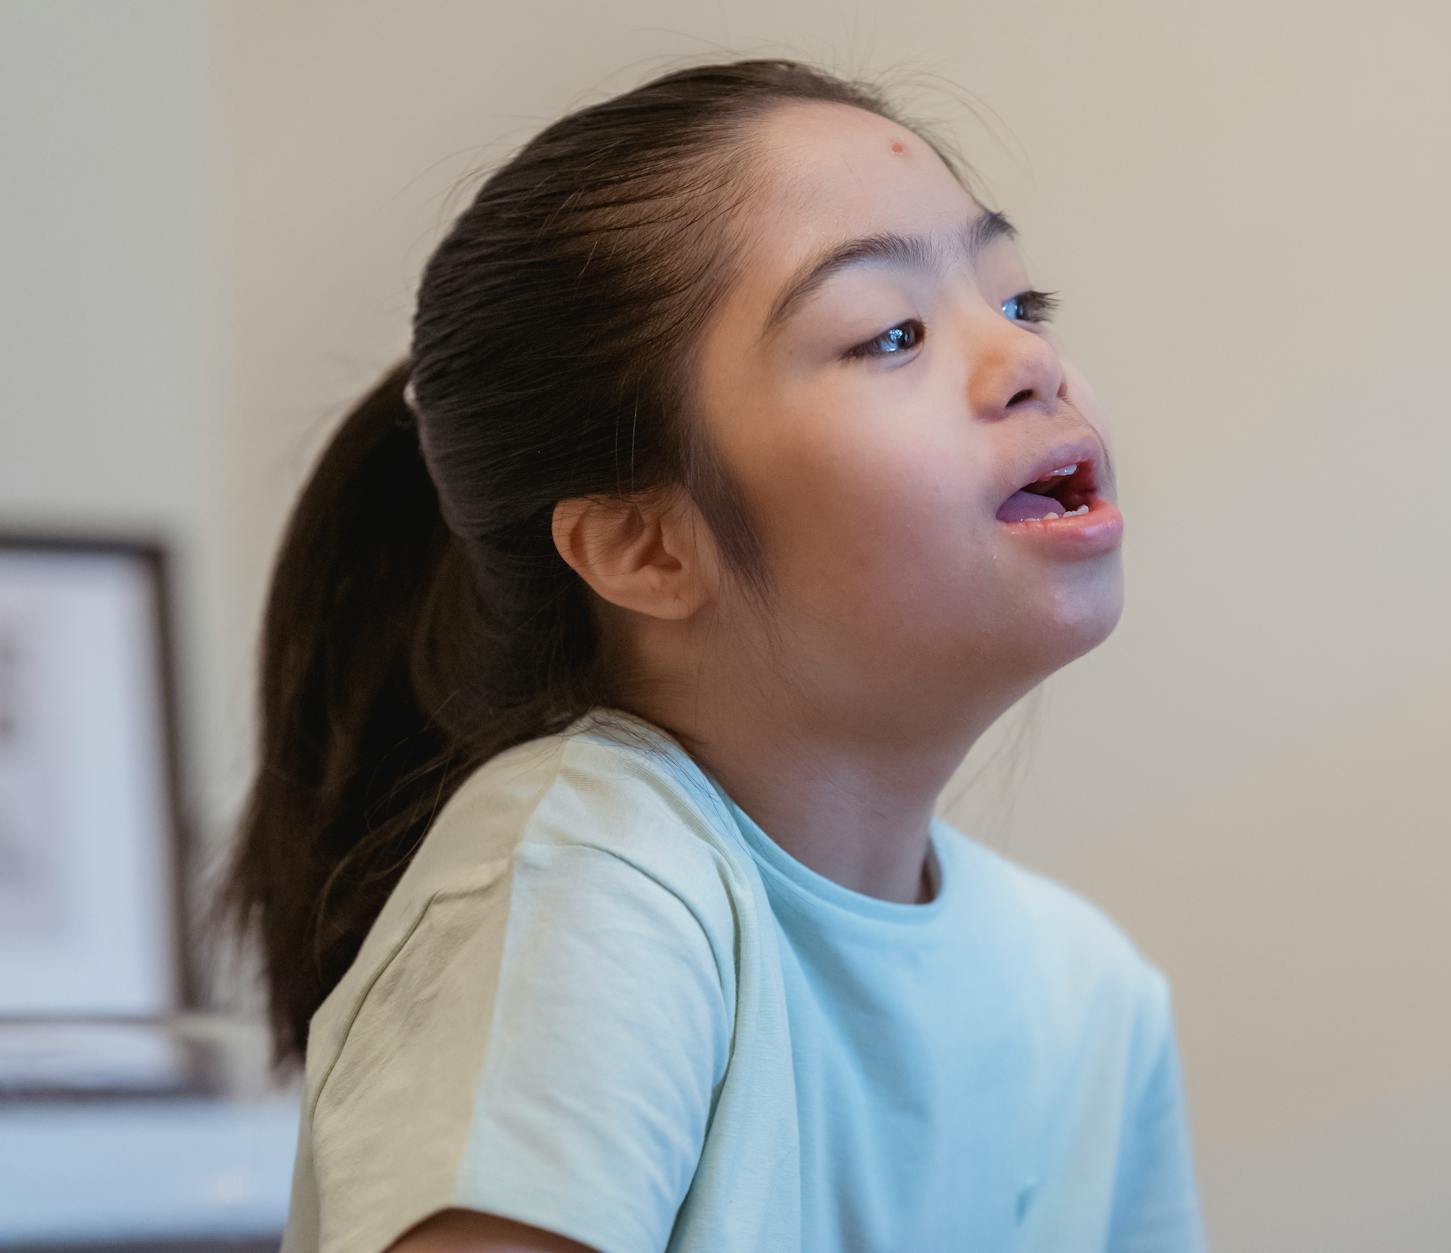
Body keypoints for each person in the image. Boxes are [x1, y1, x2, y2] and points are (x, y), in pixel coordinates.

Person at [213, 57, 1207, 1253]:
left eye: (1016, 304)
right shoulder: (588, 883)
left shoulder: (1087, 992)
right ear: (641, 544)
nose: (1028, 363)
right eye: (889, 331)